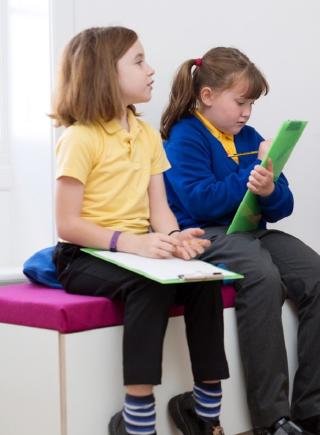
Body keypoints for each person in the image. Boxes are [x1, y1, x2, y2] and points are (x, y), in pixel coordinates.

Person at [50, 26, 229, 435]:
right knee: (148, 286)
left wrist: (176, 239)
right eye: (138, 61)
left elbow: (159, 210)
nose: (151, 69)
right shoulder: (79, 139)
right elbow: (67, 224)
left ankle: (207, 414)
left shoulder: (146, 134)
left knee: (203, 278)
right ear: (104, 74)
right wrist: (130, 244)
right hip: (84, 254)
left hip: (135, 248)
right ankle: (138, 420)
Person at [160, 47, 320, 435]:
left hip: (251, 230)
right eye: (240, 102)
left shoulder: (250, 135)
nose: (246, 112)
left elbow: (284, 205)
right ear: (207, 96)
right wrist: (249, 177)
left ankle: (313, 403)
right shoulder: (184, 136)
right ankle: (271, 416)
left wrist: (270, 187)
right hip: (206, 234)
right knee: (261, 276)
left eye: (251, 104)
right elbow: (198, 200)